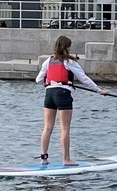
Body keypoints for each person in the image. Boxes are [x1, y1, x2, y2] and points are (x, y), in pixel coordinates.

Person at [35, 35, 107, 165]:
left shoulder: (48, 61)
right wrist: (99, 90)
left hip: (49, 94)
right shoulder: (70, 62)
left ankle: (43, 158)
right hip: (62, 94)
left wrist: (50, 81)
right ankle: (66, 159)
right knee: (65, 129)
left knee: (47, 127)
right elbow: (84, 79)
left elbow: (38, 80)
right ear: (67, 48)